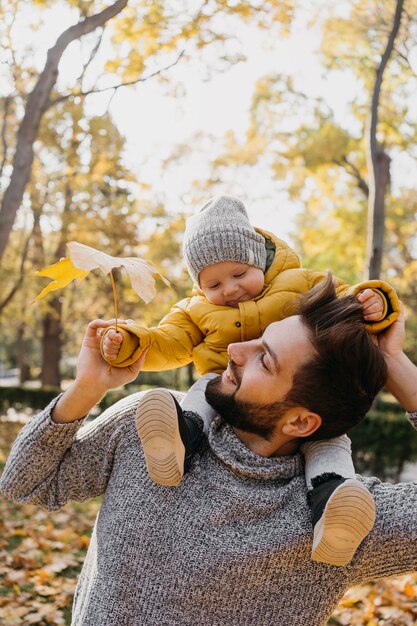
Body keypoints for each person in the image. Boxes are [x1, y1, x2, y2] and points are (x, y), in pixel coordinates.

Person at [1, 277, 417, 626]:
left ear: (300, 423)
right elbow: (25, 484)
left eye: (264, 361)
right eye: (258, 338)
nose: (236, 351)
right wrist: (87, 388)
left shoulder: (343, 520)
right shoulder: (151, 424)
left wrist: (392, 359)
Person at [100, 194, 400, 566]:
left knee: (330, 440)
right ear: (199, 286)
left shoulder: (298, 281)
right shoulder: (195, 310)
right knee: (202, 391)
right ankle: (179, 437)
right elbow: (168, 341)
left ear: (258, 257)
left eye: (239, 274)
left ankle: (334, 503)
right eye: (213, 284)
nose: (228, 290)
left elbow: (344, 301)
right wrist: (131, 341)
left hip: (308, 395)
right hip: (221, 384)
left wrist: (374, 301)